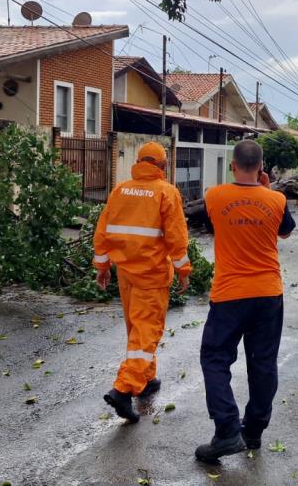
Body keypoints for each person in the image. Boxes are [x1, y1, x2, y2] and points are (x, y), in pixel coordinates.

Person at [195, 139, 295, 464]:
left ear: (232, 165)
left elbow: (215, 223)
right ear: (262, 167)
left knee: (214, 357)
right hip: (268, 294)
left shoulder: (215, 196)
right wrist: (267, 190)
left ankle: (226, 430)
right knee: (263, 363)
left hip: (229, 295)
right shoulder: (277, 200)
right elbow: (285, 233)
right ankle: (252, 432)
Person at [93, 141, 191, 423]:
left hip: (126, 275)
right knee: (146, 334)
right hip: (152, 275)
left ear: (140, 162)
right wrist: (184, 270)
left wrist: (102, 267)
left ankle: (146, 379)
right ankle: (123, 389)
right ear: (162, 166)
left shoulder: (120, 190)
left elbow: (102, 234)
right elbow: (176, 238)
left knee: (137, 331)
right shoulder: (166, 192)